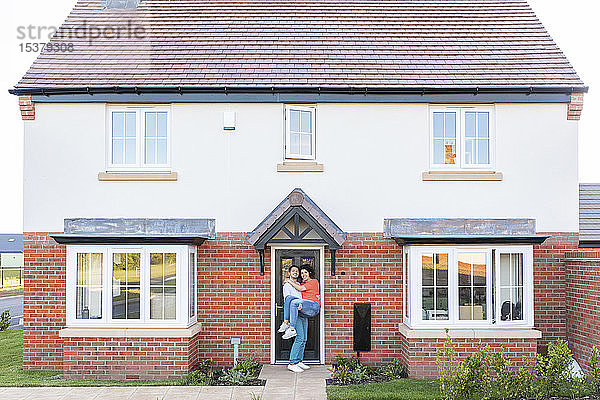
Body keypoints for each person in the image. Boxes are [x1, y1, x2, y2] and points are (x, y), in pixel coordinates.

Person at [283, 265, 321, 373]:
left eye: (305, 273)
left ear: (309, 273)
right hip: (297, 313)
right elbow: (290, 300)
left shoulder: (308, 283)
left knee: (304, 338)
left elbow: (305, 293)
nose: (303, 275)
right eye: (302, 273)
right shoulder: (292, 285)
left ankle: (299, 360)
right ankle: (292, 362)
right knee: (300, 338)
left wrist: (317, 297)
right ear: (289, 273)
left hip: (305, 310)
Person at [278, 265, 302, 333]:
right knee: (299, 336)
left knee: (302, 336)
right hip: (293, 311)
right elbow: (287, 299)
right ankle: (286, 323)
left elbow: (300, 295)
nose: (295, 272)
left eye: (297, 271)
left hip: (300, 310)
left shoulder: (298, 284)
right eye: (293, 271)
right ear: (289, 273)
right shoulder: (287, 285)